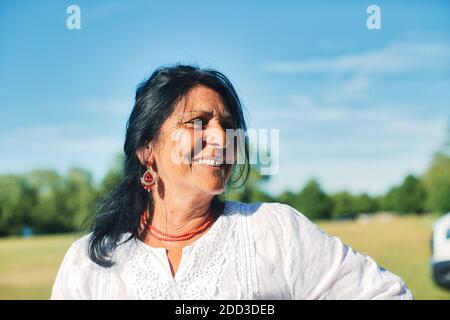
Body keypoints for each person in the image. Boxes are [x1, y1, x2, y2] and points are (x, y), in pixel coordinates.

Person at [50, 64, 413, 300]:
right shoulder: (90, 262)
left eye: (227, 125)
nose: (222, 140)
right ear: (148, 150)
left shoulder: (274, 231)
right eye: (198, 123)